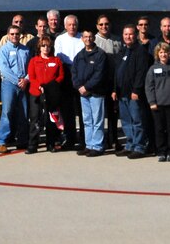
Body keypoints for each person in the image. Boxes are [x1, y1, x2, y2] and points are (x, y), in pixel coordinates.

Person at [114, 24, 151, 159]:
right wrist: (114, 89)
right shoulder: (123, 51)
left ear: (135, 35)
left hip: (133, 94)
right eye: (125, 34)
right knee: (126, 121)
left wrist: (136, 90)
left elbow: (141, 72)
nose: (128, 37)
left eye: (130, 34)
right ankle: (130, 144)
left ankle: (139, 146)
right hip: (122, 93)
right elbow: (117, 72)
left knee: (137, 120)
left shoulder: (140, 51)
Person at [72, 29, 109, 157]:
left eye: (90, 37)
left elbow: (99, 74)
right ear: (82, 38)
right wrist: (79, 86)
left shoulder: (100, 54)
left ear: (94, 38)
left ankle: (97, 146)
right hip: (83, 93)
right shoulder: (79, 55)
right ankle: (89, 145)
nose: (88, 39)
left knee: (97, 120)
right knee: (87, 120)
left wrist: (87, 87)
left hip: (96, 93)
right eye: (85, 37)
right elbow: (74, 73)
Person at [144, 42, 170, 162]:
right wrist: (152, 102)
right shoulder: (152, 69)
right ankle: (161, 151)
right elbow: (149, 87)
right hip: (158, 104)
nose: (163, 54)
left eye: (165, 52)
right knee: (159, 129)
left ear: (169, 53)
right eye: (161, 52)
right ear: (157, 54)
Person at [27, 36, 65, 153]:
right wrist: (39, 86)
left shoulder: (56, 60)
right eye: (43, 46)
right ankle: (33, 145)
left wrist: (51, 86)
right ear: (39, 47)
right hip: (36, 93)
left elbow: (61, 76)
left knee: (51, 120)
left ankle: (51, 143)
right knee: (35, 119)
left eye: (48, 46)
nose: (45, 48)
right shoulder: (34, 61)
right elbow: (31, 77)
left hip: (51, 94)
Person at [0, 25, 31, 152]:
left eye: (17, 34)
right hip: (9, 84)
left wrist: (26, 79)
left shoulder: (25, 50)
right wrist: (17, 81)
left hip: (24, 83)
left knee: (23, 112)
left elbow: (30, 67)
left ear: (20, 35)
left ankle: (22, 140)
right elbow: (4, 69)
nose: (15, 36)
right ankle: (2, 141)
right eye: (12, 34)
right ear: (8, 35)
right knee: (7, 111)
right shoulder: (3, 50)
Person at [54, 14, 85, 150]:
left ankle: (84, 139)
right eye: (69, 24)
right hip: (66, 73)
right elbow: (58, 57)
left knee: (82, 108)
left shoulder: (82, 38)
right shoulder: (60, 39)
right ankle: (70, 138)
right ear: (65, 26)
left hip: (80, 73)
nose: (72, 27)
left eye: (74, 24)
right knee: (67, 110)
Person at [93, 14, 123, 152]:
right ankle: (101, 139)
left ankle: (114, 138)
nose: (104, 27)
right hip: (100, 82)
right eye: (101, 25)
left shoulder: (117, 40)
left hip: (113, 81)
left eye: (106, 24)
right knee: (99, 113)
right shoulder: (94, 41)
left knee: (113, 112)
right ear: (97, 26)